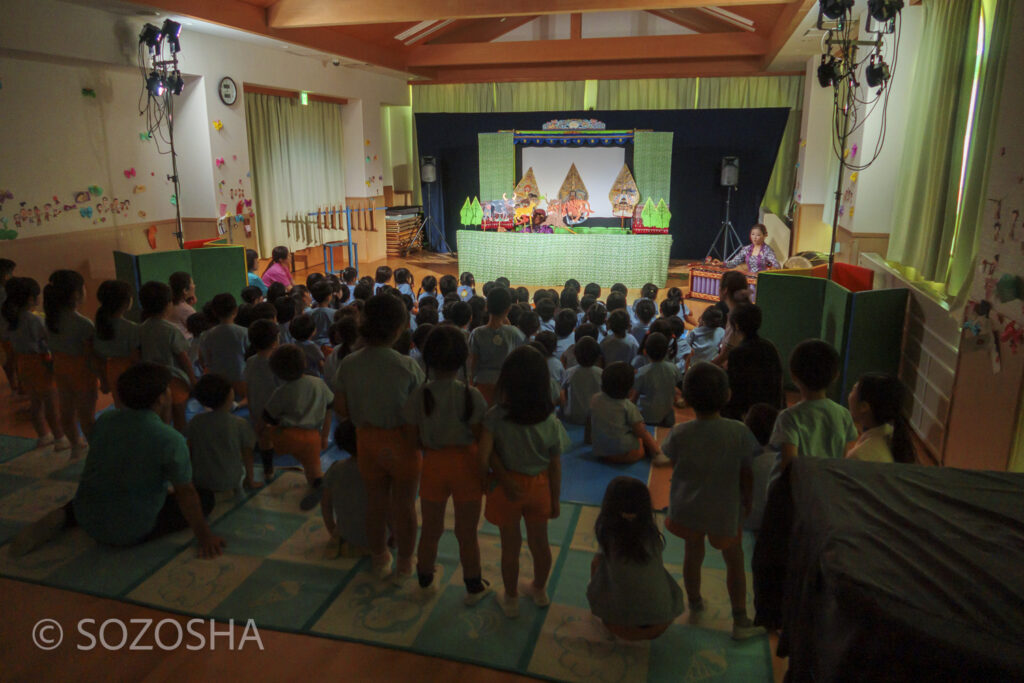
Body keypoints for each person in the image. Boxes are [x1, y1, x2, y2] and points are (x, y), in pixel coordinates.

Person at [9, 363, 224, 558]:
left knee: (103, 488)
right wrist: (204, 536)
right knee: (204, 498)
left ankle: (65, 515)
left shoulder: (107, 420)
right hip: (130, 530)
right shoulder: (171, 440)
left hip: (87, 515)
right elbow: (185, 492)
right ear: (160, 398)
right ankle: (117, 524)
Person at [661, 362, 765, 640]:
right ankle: (740, 619)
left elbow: (671, 459)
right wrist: (747, 501)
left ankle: (694, 601)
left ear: (687, 398)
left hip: (687, 508)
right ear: (728, 395)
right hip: (724, 510)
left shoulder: (680, 432)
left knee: (692, 554)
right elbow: (747, 473)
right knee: (734, 560)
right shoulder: (739, 432)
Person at [334, 294, 425, 582]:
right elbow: (419, 412)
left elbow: (342, 408)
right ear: (401, 327)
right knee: (405, 505)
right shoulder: (407, 366)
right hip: (403, 443)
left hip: (367, 441)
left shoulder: (349, 363)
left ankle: (379, 557)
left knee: (375, 502)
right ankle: (406, 564)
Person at [402, 326, 491, 602]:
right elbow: (481, 437)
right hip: (467, 465)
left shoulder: (420, 394)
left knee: (430, 527)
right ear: (463, 359)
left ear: (427, 359)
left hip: (433, 465)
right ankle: (473, 584)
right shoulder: (471, 395)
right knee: (467, 532)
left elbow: (411, 438)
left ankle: (425, 579)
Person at [481, 346, 568, 618]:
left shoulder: (495, 416)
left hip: (508, 490)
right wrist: (555, 498)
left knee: (510, 546)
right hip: (540, 486)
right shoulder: (551, 422)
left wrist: (500, 478)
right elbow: (555, 466)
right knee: (540, 543)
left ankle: (510, 598)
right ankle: (539, 590)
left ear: (506, 381)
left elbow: (482, 456)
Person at [586, 476, 684, 640]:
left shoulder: (609, 536)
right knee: (660, 574)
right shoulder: (652, 534)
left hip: (620, 628)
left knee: (597, 565)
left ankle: (602, 610)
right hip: (661, 623)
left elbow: (597, 564)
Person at [261, 344, 334, 509]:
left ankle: (267, 469)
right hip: (312, 437)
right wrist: (324, 435)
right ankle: (318, 484)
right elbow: (330, 407)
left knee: (264, 434)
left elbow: (268, 416)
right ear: (305, 364)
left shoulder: (281, 391)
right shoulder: (318, 384)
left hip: (288, 436)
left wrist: (275, 428)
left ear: (276, 372)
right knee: (313, 470)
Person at [770, 340, 858, 473]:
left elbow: (788, 465)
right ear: (835, 376)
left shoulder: (788, 417)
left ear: (793, 376)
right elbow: (846, 459)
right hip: (832, 487)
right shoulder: (844, 414)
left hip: (803, 489)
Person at [1, 277, 67, 449]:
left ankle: (43, 436)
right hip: (40, 364)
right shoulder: (34, 320)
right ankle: (60, 438)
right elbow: (47, 339)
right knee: (51, 405)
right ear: (31, 298)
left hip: (23, 364)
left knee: (35, 403)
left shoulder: (11, 318)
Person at [44, 269, 98, 457]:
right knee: (86, 415)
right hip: (81, 371)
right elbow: (91, 354)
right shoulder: (83, 324)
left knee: (66, 410)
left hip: (60, 368)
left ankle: (75, 444)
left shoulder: (51, 320)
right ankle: (95, 450)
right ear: (76, 294)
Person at [187, 373, 260, 494]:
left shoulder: (195, 421)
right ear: (229, 396)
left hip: (200, 481)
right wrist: (250, 479)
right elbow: (248, 453)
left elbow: (189, 449)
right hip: (230, 480)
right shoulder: (239, 423)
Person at [138, 281, 195, 432]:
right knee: (180, 420)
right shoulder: (171, 330)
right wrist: (193, 379)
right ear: (168, 304)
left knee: (160, 421)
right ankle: (180, 447)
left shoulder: (140, 329)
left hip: (151, 381)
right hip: (174, 380)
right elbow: (183, 358)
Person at [590, 362, 668, 465]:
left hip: (600, 451)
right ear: (629, 387)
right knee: (642, 432)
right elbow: (640, 432)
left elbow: (590, 421)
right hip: (625, 455)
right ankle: (658, 453)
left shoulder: (595, 399)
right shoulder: (627, 406)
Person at [721, 304, 784, 420]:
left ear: (736, 325)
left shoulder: (737, 353)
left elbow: (735, 390)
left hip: (747, 413)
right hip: (771, 408)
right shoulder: (769, 346)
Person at [468, 287, 525, 406]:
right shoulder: (514, 333)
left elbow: (473, 363)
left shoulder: (477, 333)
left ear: (486, 307)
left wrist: (471, 385)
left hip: (481, 386)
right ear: (509, 308)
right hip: (506, 386)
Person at [847, 373, 916, 463]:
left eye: (853, 390)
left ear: (864, 406)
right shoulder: (893, 436)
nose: (849, 395)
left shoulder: (858, 456)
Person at [244, 319, 282, 482]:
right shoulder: (277, 363)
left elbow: (248, 386)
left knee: (264, 439)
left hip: (257, 409)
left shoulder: (250, 361)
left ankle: (268, 470)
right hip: (277, 410)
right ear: (275, 342)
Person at [93, 279, 139, 408]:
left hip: (111, 369)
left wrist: (103, 379)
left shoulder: (99, 326)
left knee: (120, 404)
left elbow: (97, 354)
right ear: (125, 302)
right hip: (129, 371)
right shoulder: (131, 328)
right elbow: (135, 357)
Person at [199, 293, 249, 398]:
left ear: (214, 312)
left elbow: (206, 360)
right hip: (241, 380)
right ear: (236, 310)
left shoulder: (206, 335)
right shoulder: (244, 332)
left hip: (217, 382)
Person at [632, 332, 681, 428]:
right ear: (667, 351)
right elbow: (674, 388)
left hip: (645, 417)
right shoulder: (674, 368)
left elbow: (634, 399)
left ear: (645, 351)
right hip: (665, 416)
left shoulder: (641, 372)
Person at [561, 336, 602, 426]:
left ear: (575, 355)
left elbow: (562, 393)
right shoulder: (601, 373)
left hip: (572, 416)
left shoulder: (569, 372)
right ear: (598, 357)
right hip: (595, 417)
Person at [0, 258, 18, 394]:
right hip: (6, 331)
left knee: (7, 361)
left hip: (3, 332)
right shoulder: (4, 292)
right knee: (13, 359)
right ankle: (17, 385)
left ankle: (13, 383)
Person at [168, 271, 197, 339]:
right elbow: (199, 329)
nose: (194, 286)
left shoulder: (169, 305)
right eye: (192, 283)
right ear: (185, 290)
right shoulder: (186, 309)